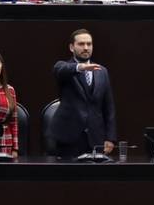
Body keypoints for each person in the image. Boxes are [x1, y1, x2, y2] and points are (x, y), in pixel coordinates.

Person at [50, 29, 117, 158]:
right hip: (69, 137)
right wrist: (80, 67)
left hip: (95, 137)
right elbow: (59, 70)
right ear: (71, 47)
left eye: (89, 44)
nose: (86, 48)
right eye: (81, 44)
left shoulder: (102, 71)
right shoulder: (63, 67)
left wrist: (110, 137)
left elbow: (109, 107)